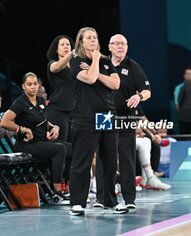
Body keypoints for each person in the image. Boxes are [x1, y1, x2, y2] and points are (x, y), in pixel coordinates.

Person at [69, 27, 128, 216]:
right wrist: (95, 60)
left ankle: (110, 201)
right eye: (89, 38)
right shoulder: (76, 61)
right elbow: (89, 78)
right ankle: (77, 202)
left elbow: (115, 83)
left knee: (110, 160)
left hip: (106, 115)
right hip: (85, 116)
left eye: (95, 37)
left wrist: (98, 65)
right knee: (82, 161)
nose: (93, 40)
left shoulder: (106, 61)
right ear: (81, 42)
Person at [94, 34, 152, 210]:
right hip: (104, 115)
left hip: (126, 116)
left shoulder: (133, 66)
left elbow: (148, 90)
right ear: (109, 46)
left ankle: (129, 200)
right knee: (103, 158)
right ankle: (102, 198)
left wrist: (139, 96)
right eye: (117, 44)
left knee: (126, 158)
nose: (120, 46)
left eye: (124, 44)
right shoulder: (101, 63)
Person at [0, 72, 72, 205]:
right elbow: (4, 122)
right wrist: (22, 129)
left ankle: (68, 188)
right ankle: (57, 193)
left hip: (41, 142)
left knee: (71, 149)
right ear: (23, 86)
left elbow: (44, 122)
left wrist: (54, 127)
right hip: (26, 144)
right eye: (29, 84)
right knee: (60, 149)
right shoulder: (20, 102)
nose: (33, 87)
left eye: (35, 84)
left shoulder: (40, 100)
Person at [46, 35, 75, 143]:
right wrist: (71, 54)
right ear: (56, 49)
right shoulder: (52, 64)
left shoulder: (74, 66)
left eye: (68, 44)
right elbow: (57, 67)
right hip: (58, 112)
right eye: (62, 45)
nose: (66, 46)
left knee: (74, 149)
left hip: (74, 113)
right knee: (61, 147)